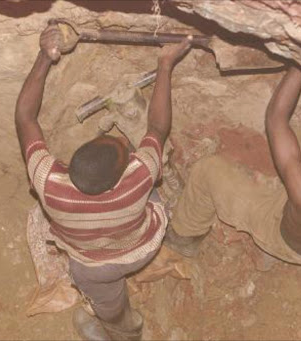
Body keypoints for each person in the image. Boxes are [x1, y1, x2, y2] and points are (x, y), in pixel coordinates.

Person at [15, 23, 192, 340]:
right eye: (125, 151)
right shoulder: (140, 177)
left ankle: (124, 330)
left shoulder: (49, 184)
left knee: (108, 301)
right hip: (142, 246)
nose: (124, 145)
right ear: (118, 178)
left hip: (92, 265)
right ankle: (181, 240)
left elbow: (25, 117)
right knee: (155, 186)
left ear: (69, 166)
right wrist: (165, 65)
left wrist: (45, 57)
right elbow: (157, 128)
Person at [165, 66, 301, 268]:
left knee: (207, 171)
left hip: (284, 239)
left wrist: (300, 63)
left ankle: (185, 236)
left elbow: (276, 118)